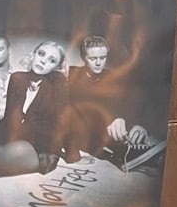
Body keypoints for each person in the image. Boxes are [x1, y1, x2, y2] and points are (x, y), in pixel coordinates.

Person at [66, 33, 157, 166]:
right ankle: (127, 153)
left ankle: (135, 151)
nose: (98, 63)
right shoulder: (70, 75)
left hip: (106, 134)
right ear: (83, 57)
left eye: (102, 58)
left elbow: (128, 105)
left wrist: (137, 125)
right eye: (93, 58)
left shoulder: (114, 78)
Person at [0, 40, 70, 175]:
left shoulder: (57, 82)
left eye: (51, 60)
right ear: (33, 55)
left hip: (40, 148)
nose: (43, 61)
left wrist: (70, 152)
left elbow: (64, 119)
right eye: (41, 54)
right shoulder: (17, 78)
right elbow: (9, 117)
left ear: (56, 67)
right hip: (13, 140)